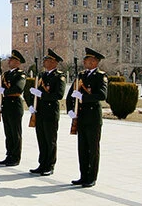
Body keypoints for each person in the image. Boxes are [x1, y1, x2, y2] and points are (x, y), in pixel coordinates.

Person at [67, 47, 108, 188]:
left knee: (92, 148)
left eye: (88, 60)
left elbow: (102, 95)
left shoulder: (100, 76)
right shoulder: (81, 75)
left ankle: (91, 177)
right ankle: (83, 175)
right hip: (81, 117)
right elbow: (70, 95)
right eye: (85, 60)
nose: (85, 62)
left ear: (95, 62)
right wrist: (70, 110)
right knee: (82, 148)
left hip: (93, 118)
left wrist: (83, 97)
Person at [28, 49, 66, 174]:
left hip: (50, 112)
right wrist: (32, 104)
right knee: (41, 139)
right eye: (44, 60)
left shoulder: (59, 77)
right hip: (40, 111)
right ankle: (42, 163)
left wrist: (41, 94)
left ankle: (50, 165)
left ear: (54, 62)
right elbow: (36, 93)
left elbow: (58, 95)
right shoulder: (43, 76)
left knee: (50, 140)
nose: (44, 62)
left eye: (47, 60)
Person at [0, 50, 28, 167]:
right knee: (8, 133)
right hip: (6, 105)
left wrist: (4, 91)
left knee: (15, 133)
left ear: (17, 62)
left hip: (15, 105)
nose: (9, 61)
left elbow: (18, 88)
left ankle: (15, 157)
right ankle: (9, 154)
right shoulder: (6, 74)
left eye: (12, 60)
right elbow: (1, 88)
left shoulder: (21, 75)